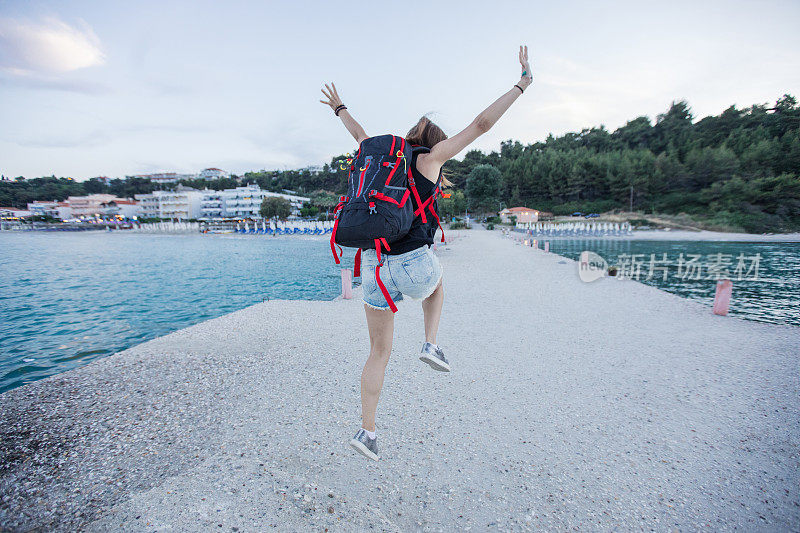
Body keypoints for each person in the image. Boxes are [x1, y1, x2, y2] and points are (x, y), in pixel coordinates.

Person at [320, 45, 533, 461]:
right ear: (435, 143)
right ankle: (431, 344)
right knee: (437, 286)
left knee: (378, 352)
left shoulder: (385, 160)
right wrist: (523, 83)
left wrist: (339, 107)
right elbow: (482, 123)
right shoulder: (431, 161)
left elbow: (359, 133)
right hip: (414, 263)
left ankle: (367, 432)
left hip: (376, 271)